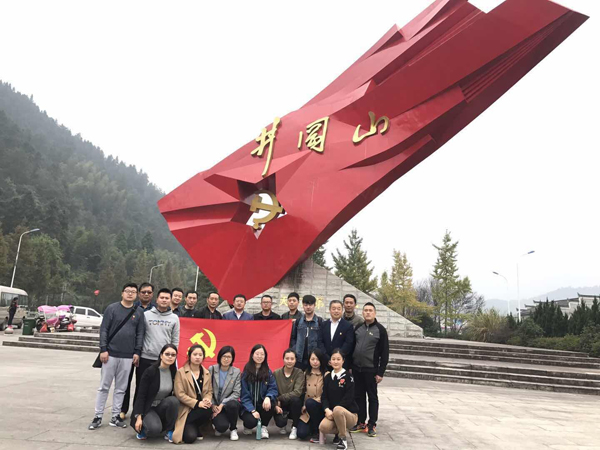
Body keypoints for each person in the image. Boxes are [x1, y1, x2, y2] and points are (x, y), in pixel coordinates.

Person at [89, 283, 145, 430]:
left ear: (136, 295)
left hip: (128, 356)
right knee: (104, 387)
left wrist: (137, 352)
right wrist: (103, 349)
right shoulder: (112, 308)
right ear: (122, 293)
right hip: (110, 354)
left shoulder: (139, 312)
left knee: (121, 388)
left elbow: (140, 333)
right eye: (127, 291)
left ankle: (115, 416)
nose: (130, 294)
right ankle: (98, 416)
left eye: (133, 292)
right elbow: (104, 330)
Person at [136, 288, 180, 413]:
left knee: (163, 388)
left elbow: (175, 339)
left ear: (170, 300)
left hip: (164, 361)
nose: (164, 300)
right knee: (141, 388)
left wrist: (172, 357)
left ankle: (159, 413)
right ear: (156, 299)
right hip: (146, 357)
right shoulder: (146, 315)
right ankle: (138, 414)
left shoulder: (174, 318)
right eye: (162, 297)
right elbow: (140, 334)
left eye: (167, 298)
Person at [350, 302, 389, 438]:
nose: (367, 312)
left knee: (372, 397)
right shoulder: (358, 328)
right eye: (365, 310)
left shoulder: (380, 330)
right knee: (359, 396)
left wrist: (380, 372)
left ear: (375, 313)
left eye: (370, 310)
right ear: (362, 312)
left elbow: (385, 353)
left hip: (371, 370)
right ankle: (361, 422)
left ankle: (372, 424)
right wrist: (351, 366)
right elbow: (353, 347)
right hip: (357, 369)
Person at [131, 344, 179, 441]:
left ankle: (169, 430)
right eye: (167, 354)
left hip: (161, 407)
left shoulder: (173, 371)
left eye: (173, 355)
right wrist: (138, 417)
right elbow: (141, 395)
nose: (170, 357)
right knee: (154, 430)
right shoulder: (150, 371)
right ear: (161, 355)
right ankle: (143, 428)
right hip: (147, 408)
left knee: (173, 400)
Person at [121, 282, 155, 419]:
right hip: (129, 350)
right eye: (143, 292)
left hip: (146, 353)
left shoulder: (156, 310)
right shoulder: (131, 307)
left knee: (142, 384)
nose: (146, 294)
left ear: (152, 294)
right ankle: (122, 409)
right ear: (139, 294)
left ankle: (137, 410)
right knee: (125, 381)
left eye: (149, 292)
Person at [173, 344, 213, 444]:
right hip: (187, 408)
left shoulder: (206, 373)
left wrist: (207, 399)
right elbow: (179, 394)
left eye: (200, 355)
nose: (197, 357)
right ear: (189, 356)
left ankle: (196, 426)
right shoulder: (181, 372)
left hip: (201, 408)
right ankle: (184, 424)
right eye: (195, 354)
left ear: (203, 357)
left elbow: (209, 391)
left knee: (208, 409)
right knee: (189, 438)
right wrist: (197, 403)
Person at [319, 349, 359, 450]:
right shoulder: (328, 377)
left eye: (338, 359)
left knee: (338, 409)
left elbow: (349, 397)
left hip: (349, 414)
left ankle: (343, 439)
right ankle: (340, 429)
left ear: (343, 361)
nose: (335, 362)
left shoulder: (348, 376)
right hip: (333, 413)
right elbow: (324, 396)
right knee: (323, 427)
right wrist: (327, 409)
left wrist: (336, 410)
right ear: (330, 361)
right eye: (333, 359)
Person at [240, 344, 278, 439]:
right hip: (248, 407)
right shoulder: (246, 372)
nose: (259, 356)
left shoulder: (268, 372)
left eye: (262, 354)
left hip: (262, 404)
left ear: (265, 356)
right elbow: (244, 394)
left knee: (272, 402)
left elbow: (273, 388)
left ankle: (263, 427)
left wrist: (268, 397)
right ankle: (247, 426)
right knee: (251, 422)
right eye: (257, 354)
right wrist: (252, 410)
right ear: (252, 355)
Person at [209, 346, 241, 440]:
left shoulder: (236, 371)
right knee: (222, 427)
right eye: (224, 356)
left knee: (233, 404)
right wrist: (212, 405)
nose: (226, 359)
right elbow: (207, 389)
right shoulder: (212, 369)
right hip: (215, 404)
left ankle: (233, 429)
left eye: (229, 357)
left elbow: (236, 393)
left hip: (227, 404)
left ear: (232, 359)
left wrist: (222, 404)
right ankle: (218, 424)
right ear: (219, 357)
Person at [273, 348, 305, 440]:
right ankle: (283, 424)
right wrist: (276, 404)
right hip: (280, 404)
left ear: (295, 360)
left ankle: (294, 427)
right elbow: (272, 390)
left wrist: (280, 398)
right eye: (287, 358)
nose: (289, 361)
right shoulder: (276, 373)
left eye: (292, 359)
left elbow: (297, 392)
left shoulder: (299, 373)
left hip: (292, 403)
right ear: (283, 359)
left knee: (296, 400)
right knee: (280, 422)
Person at [297, 349, 328, 442]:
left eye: (317, 359)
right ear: (309, 360)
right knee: (301, 434)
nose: (315, 362)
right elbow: (302, 391)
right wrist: (303, 405)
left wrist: (308, 404)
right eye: (312, 359)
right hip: (306, 410)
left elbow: (326, 394)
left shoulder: (326, 374)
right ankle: (312, 427)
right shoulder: (306, 373)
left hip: (319, 407)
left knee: (310, 403)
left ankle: (317, 431)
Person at [318, 300, 355, 368]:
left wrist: (336, 358)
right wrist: (327, 358)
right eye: (334, 308)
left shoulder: (348, 326)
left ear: (342, 310)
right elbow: (320, 342)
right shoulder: (324, 325)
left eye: (338, 309)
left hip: (341, 363)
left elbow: (348, 344)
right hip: (325, 362)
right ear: (329, 310)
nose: (336, 311)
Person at [290, 295, 322, 370]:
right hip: (299, 358)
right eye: (306, 305)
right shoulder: (298, 321)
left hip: (314, 359)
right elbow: (293, 338)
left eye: (310, 305)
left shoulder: (319, 321)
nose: (308, 307)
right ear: (303, 306)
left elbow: (322, 340)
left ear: (315, 305)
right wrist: (295, 349)